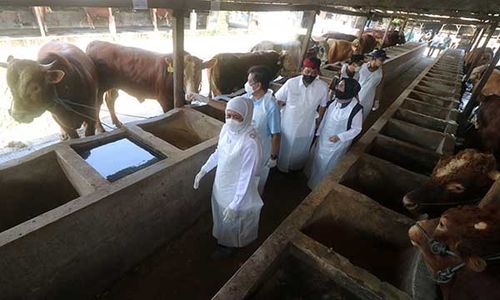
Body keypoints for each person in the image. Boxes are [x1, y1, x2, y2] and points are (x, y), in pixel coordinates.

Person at [193, 96, 263, 258]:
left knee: (233, 219)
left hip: (237, 188)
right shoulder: (226, 129)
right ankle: (223, 239)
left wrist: (236, 203)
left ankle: (229, 247)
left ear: (246, 116)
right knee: (220, 213)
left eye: (237, 117)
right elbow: (219, 152)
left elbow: (247, 176)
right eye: (228, 115)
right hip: (222, 182)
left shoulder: (250, 142)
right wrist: (203, 170)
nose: (231, 120)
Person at [275, 57, 329, 172]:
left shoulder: (323, 87)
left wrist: (319, 122)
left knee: (301, 147)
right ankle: (281, 167)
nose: (310, 75)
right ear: (302, 70)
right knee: (285, 145)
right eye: (307, 71)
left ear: (317, 72)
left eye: (314, 73)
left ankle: (295, 169)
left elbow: (323, 106)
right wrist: (274, 119)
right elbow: (278, 101)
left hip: (307, 123)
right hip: (288, 122)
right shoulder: (291, 83)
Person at [307, 77, 363, 189]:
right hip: (324, 138)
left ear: (349, 90)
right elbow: (324, 120)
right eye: (339, 85)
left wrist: (340, 137)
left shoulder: (356, 109)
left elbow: (356, 129)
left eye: (341, 86)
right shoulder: (333, 103)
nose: (337, 87)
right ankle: (313, 181)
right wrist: (318, 134)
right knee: (318, 160)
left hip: (338, 143)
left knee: (329, 164)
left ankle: (320, 186)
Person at [245, 65, 281, 194]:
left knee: (256, 180)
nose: (247, 85)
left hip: (262, 150)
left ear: (258, 85)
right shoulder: (250, 99)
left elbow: (276, 134)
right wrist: (204, 100)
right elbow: (230, 106)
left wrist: (273, 156)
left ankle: (252, 207)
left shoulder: (270, 106)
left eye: (249, 82)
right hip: (247, 147)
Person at [358, 49, 386, 118]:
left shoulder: (380, 74)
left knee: (361, 117)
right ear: (374, 58)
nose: (382, 62)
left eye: (383, 60)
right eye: (381, 60)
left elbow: (379, 87)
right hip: (356, 94)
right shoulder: (362, 67)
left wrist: (377, 100)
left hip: (368, 99)